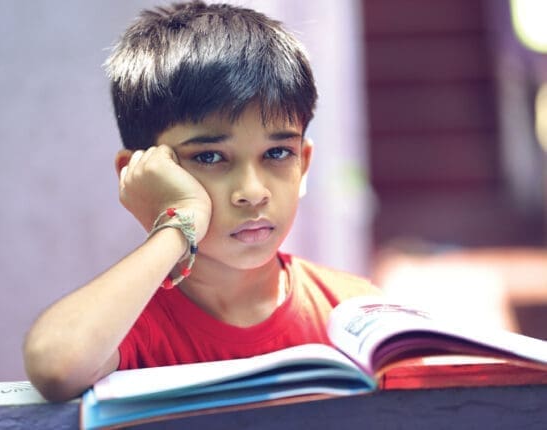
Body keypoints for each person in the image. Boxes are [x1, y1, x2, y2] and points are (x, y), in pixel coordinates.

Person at [23, 0, 380, 402]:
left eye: (278, 153)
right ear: (140, 172)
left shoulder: (353, 313)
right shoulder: (128, 325)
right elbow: (57, 365)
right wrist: (179, 222)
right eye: (209, 157)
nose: (252, 191)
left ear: (304, 164)